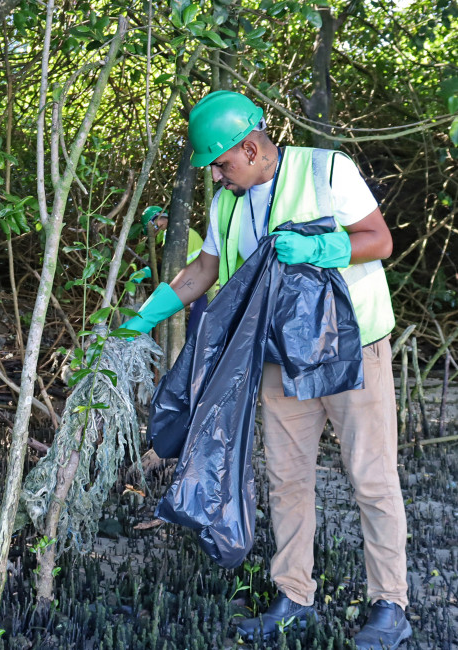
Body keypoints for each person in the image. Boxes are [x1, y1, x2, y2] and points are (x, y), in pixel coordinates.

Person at [124, 91, 410, 649]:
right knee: (286, 478)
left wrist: (325, 247)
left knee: (372, 477)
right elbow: (204, 268)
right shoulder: (228, 204)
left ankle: (390, 605)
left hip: (351, 351)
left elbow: (380, 240)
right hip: (278, 359)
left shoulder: (328, 170)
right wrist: (140, 321)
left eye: (222, 164)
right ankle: (293, 595)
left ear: (251, 147)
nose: (216, 177)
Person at [137, 205, 208, 338]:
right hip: (198, 286)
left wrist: (148, 271)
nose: (153, 233)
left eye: (150, 228)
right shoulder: (171, 234)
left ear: (155, 221)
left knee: (195, 334)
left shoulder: (179, 234)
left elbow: (172, 266)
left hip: (205, 288)